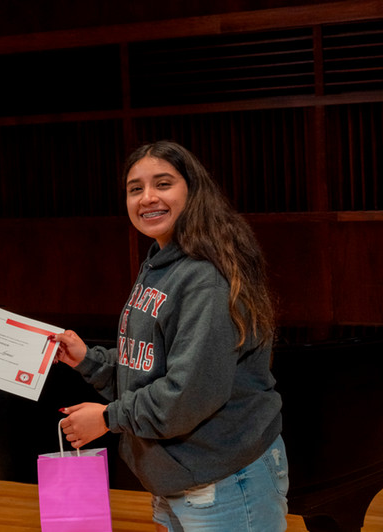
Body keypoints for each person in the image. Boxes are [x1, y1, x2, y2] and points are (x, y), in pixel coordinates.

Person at [51, 141, 288, 531]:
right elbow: (148, 367)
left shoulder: (204, 278)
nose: (148, 198)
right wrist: (87, 360)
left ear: (192, 191)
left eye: (163, 183)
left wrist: (109, 418)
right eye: (135, 188)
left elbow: (187, 395)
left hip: (225, 481)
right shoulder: (160, 262)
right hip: (176, 480)